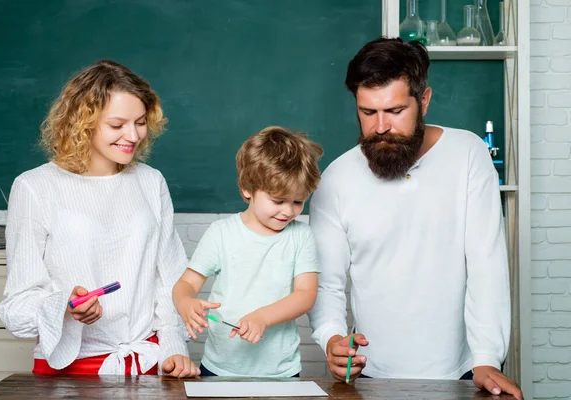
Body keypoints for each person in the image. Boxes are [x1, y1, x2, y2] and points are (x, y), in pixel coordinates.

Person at [307, 38, 523, 400]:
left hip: (466, 371)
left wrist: (488, 357)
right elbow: (326, 283)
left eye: (394, 111)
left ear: (423, 100)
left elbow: (487, 263)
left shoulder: (468, 154)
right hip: (372, 376)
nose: (379, 127)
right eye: (367, 112)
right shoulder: (335, 179)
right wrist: (331, 338)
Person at [0, 60, 199, 377]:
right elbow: (16, 308)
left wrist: (174, 350)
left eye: (141, 122)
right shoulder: (35, 187)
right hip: (69, 370)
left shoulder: (151, 181)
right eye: (117, 125)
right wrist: (63, 305)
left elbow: (170, 281)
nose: (133, 135)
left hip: (148, 363)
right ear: (83, 123)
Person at [172, 126, 322, 377]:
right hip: (219, 368)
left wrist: (263, 317)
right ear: (247, 189)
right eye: (278, 200)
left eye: (298, 202)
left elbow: (306, 295)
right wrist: (185, 302)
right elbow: (186, 283)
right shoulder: (221, 233)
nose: (288, 211)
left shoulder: (301, 236)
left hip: (281, 372)